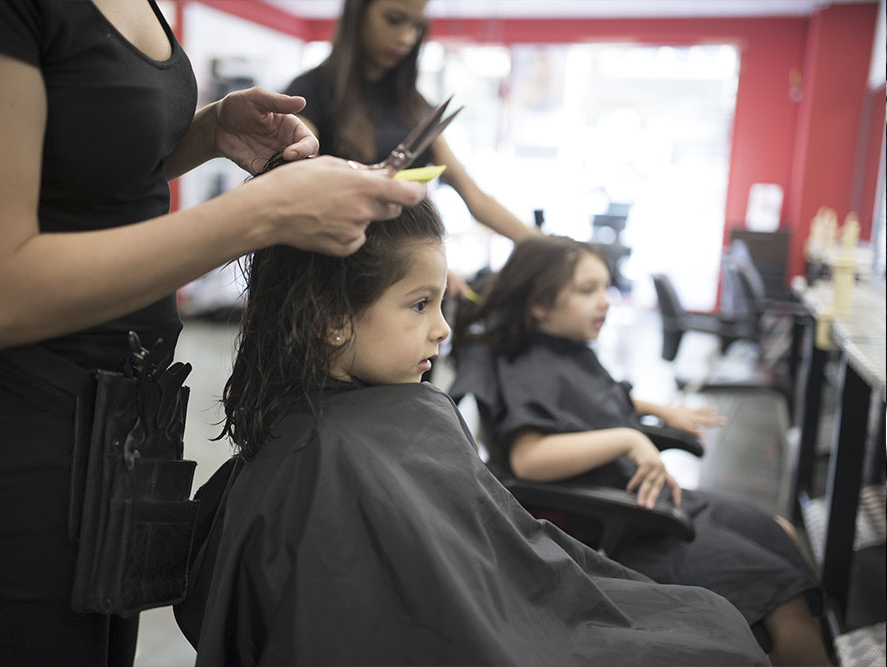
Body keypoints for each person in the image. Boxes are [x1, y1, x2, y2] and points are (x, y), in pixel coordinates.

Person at [0, 1, 426, 665]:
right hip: (3, 422)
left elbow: (84, 172)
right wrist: (262, 213)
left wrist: (207, 132)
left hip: (118, 419)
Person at [173, 192, 769, 666]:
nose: (442, 329)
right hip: (498, 636)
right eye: (418, 305)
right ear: (332, 320)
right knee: (711, 634)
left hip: (509, 616)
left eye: (441, 304)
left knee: (710, 621)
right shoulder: (330, 456)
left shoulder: (407, 415)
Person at [450, 234, 831, 667]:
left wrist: (657, 410)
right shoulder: (529, 366)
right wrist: (630, 438)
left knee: (780, 530)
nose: (605, 301)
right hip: (630, 529)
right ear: (538, 304)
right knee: (787, 599)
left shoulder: (566, 349)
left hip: (655, 504)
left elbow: (594, 399)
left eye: (605, 287)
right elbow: (529, 458)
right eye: (586, 290)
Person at [284, 0, 540, 295]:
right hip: (332, 283)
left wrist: (542, 245)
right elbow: (299, 185)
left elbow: (474, 196)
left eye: (416, 26)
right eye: (394, 20)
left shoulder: (416, 109)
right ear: (358, 15)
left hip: (403, 282)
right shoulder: (308, 94)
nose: (407, 38)